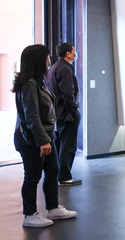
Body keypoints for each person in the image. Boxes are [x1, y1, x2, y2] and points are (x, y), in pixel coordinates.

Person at [13, 44, 78, 227]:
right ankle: (29, 215)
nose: (49, 60)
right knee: (32, 176)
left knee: (52, 171)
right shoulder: (29, 84)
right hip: (32, 138)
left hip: (46, 135)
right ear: (38, 60)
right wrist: (42, 141)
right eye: (47, 57)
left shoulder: (38, 81)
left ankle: (53, 208)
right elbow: (32, 116)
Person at [45, 43, 81, 186]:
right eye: (73, 51)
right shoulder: (65, 69)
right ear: (68, 54)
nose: (75, 53)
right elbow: (67, 94)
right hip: (66, 114)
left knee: (60, 144)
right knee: (68, 145)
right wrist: (74, 111)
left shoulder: (54, 67)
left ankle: (58, 174)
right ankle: (65, 176)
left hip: (57, 113)